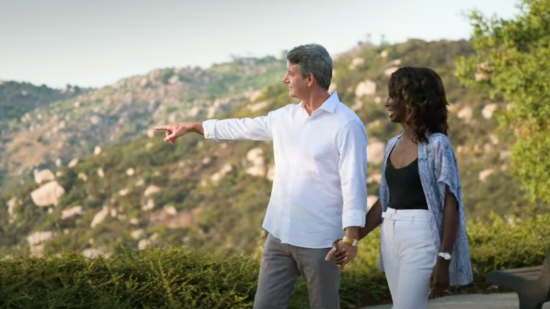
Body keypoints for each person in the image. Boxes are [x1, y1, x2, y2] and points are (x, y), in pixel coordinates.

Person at [155, 44, 368, 309]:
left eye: (291, 73)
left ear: (309, 79)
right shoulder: (284, 118)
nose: (285, 79)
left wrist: (350, 238)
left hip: (320, 241)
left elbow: (354, 184)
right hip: (279, 235)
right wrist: (192, 127)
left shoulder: (346, 124)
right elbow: (239, 127)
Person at [327, 66, 473, 309]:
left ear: (413, 101)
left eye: (394, 96)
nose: (387, 102)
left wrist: (444, 259)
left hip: (422, 236)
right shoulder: (392, 144)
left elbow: (451, 204)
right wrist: (351, 240)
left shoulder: (438, 145)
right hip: (391, 234)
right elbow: (386, 199)